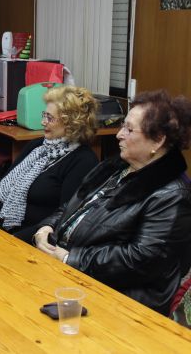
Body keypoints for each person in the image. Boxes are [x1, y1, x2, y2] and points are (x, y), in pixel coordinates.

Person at [34, 90, 191, 315]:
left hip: (122, 301)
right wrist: (47, 226)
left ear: (158, 140)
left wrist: (70, 258)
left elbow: (140, 260)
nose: (118, 135)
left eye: (129, 129)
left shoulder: (173, 195)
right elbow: (72, 206)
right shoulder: (116, 167)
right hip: (72, 273)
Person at [0, 86, 99, 243]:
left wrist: (10, 241)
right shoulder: (38, 146)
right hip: (2, 228)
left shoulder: (83, 162)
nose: (43, 122)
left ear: (71, 124)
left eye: (50, 118)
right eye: (44, 115)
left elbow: (62, 219)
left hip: (30, 240)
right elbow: (0, 188)